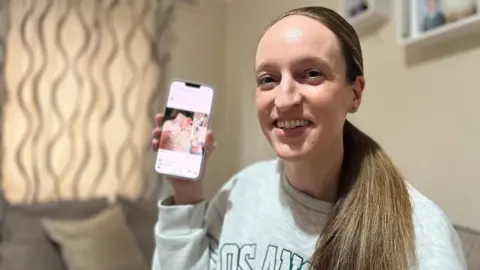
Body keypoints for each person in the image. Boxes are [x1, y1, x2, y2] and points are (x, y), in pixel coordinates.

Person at [151, 6, 466, 270]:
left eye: (312, 73)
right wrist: (186, 193)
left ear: (354, 93)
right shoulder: (239, 192)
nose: (284, 99)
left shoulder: (422, 233)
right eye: (268, 79)